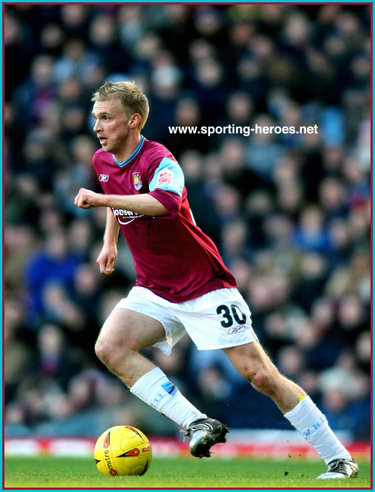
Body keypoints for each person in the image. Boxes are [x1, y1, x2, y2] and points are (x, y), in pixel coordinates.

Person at [74, 81, 358, 480]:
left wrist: (104, 201)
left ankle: (338, 457)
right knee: (110, 347)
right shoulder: (103, 161)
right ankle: (196, 423)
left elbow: (166, 204)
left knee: (261, 375)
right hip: (155, 287)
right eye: (95, 118)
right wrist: (110, 242)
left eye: (106, 117)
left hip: (205, 287)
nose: (97, 126)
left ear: (133, 120)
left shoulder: (161, 160)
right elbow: (114, 191)